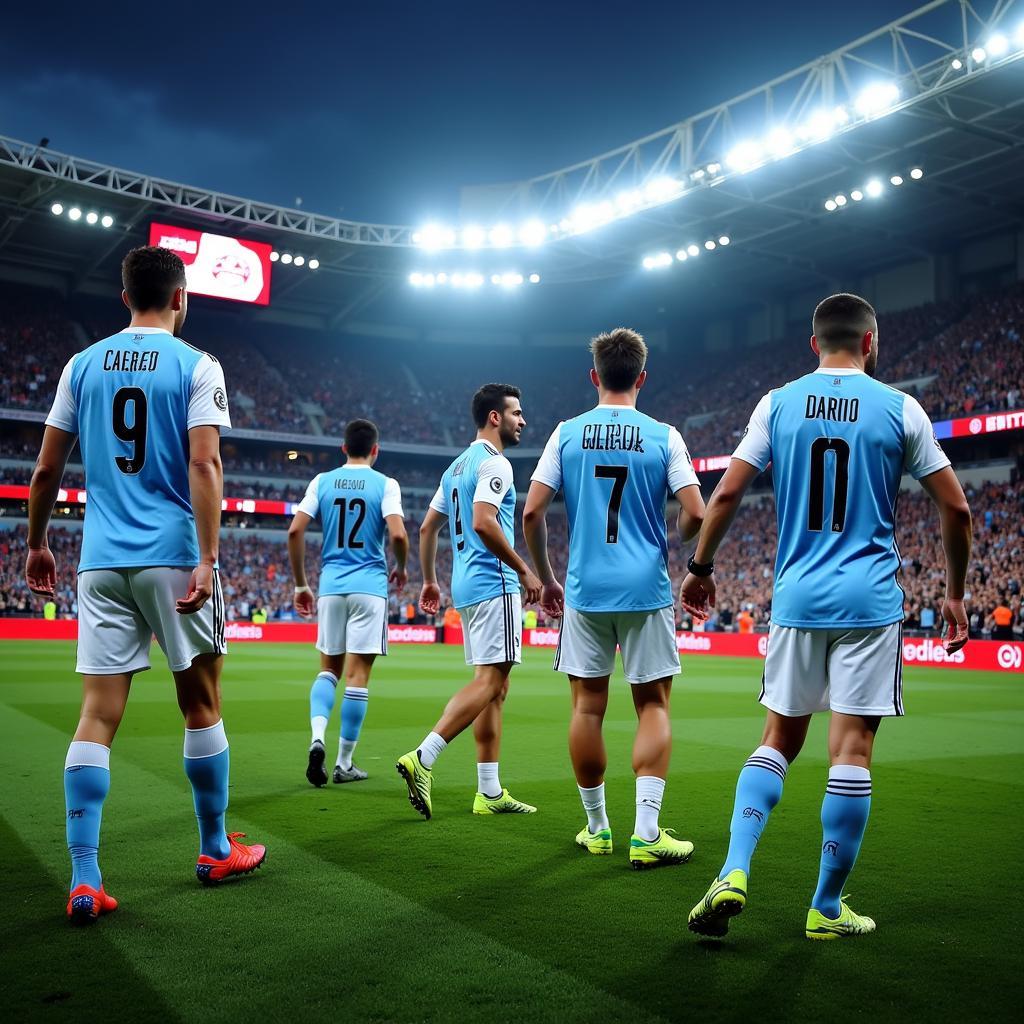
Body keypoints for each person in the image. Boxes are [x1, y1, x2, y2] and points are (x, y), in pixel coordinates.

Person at [681, 292, 971, 941]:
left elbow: (727, 490)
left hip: (796, 599)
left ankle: (733, 868)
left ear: (814, 344)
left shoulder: (777, 402)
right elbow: (957, 510)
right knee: (853, 749)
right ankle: (825, 907)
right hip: (870, 602)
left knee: (778, 739)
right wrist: (953, 594)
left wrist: (700, 570)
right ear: (871, 341)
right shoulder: (901, 408)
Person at [25, 245, 266, 925]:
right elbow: (205, 462)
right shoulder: (197, 365)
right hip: (172, 557)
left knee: (97, 715)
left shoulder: (82, 364)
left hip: (99, 562)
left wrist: (39, 542)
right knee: (200, 702)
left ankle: (83, 876)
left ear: (124, 295)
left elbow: (45, 472)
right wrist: (211, 557)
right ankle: (216, 848)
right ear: (181, 297)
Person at [522, 328, 705, 868]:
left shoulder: (566, 433)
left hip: (585, 589)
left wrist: (548, 578)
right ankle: (646, 833)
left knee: (587, 707)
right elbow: (696, 512)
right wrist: (673, 539)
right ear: (642, 378)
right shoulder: (664, 435)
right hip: (645, 589)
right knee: (652, 704)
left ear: (594, 376)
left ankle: (598, 828)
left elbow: (532, 512)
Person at [397, 383, 541, 819]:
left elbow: (427, 529)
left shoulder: (455, 467)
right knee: (491, 684)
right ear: (494, 417)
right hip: (494, 583)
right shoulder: (495, 465)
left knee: (494, 688)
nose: (523, 420)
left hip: (466, 586)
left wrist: (429, 581)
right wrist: (523, 568)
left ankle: (489, 791)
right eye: (516, 412)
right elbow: (483, 522)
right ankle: (423, 756)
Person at [287, 418, 408, 786]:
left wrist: (300, 585)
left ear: (343, 448)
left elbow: (295, 530)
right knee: (358, 677)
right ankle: (344, 763)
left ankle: (316, 739)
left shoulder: (321, 481)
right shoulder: (386, 484)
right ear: (375, 449)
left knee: (328, 671)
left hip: (330, 585)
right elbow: (399, 534)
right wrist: (401, 566)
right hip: (369, 586)